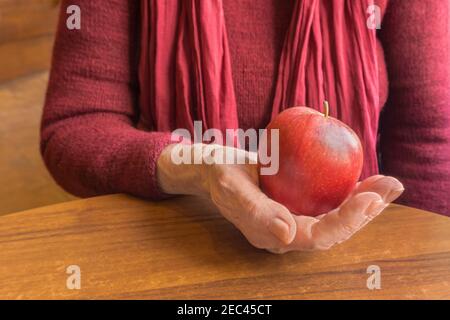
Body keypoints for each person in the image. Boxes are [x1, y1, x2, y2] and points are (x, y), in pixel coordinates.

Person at [41, 0, 449, 253]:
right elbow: (77, 125)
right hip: (175, 251)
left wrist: (410, 271)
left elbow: (430, 138)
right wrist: (197, 167)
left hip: (350, 257)